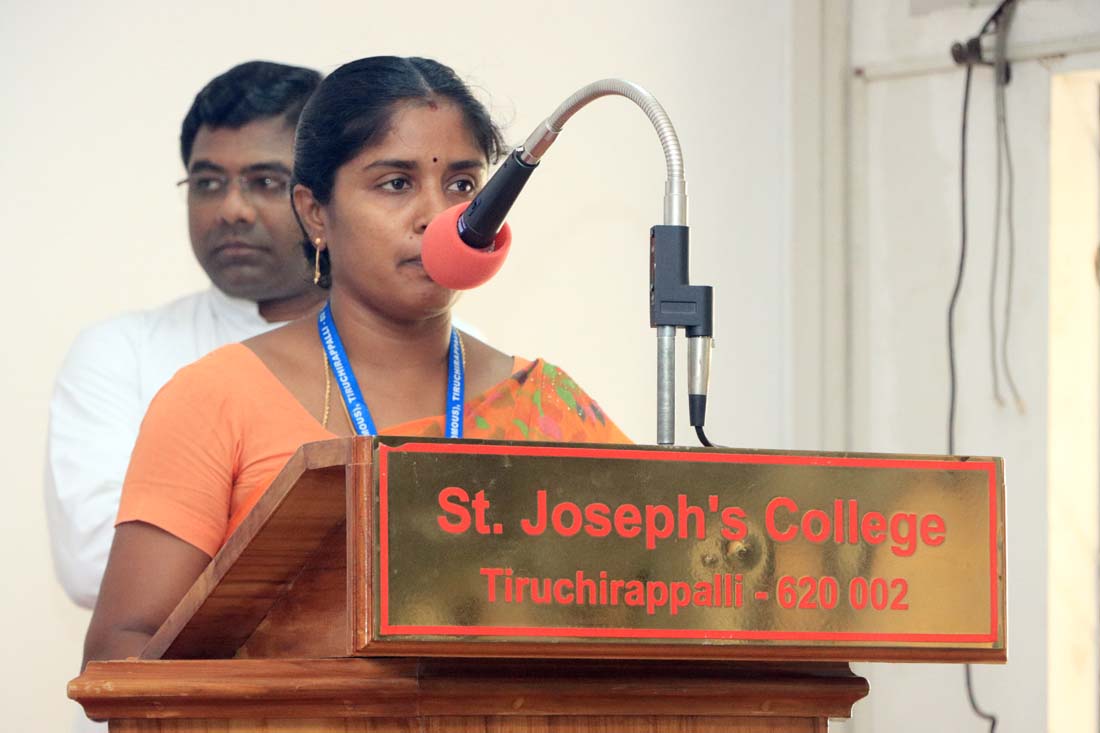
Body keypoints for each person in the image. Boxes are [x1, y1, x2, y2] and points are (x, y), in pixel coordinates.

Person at [82, 55, 629, 667]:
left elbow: (657, 601)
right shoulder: (215, 397)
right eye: (395, 183)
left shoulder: (545, 407)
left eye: (461, 185)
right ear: (315, 212)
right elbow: (122, 652)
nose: (435, 216)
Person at [45, 61, 325, 609]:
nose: (231, 210)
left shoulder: (431, 351)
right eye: (207, 183)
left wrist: (195, 529)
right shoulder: (122, 351)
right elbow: (91, 563)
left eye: (265, 182)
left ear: (319, 202)